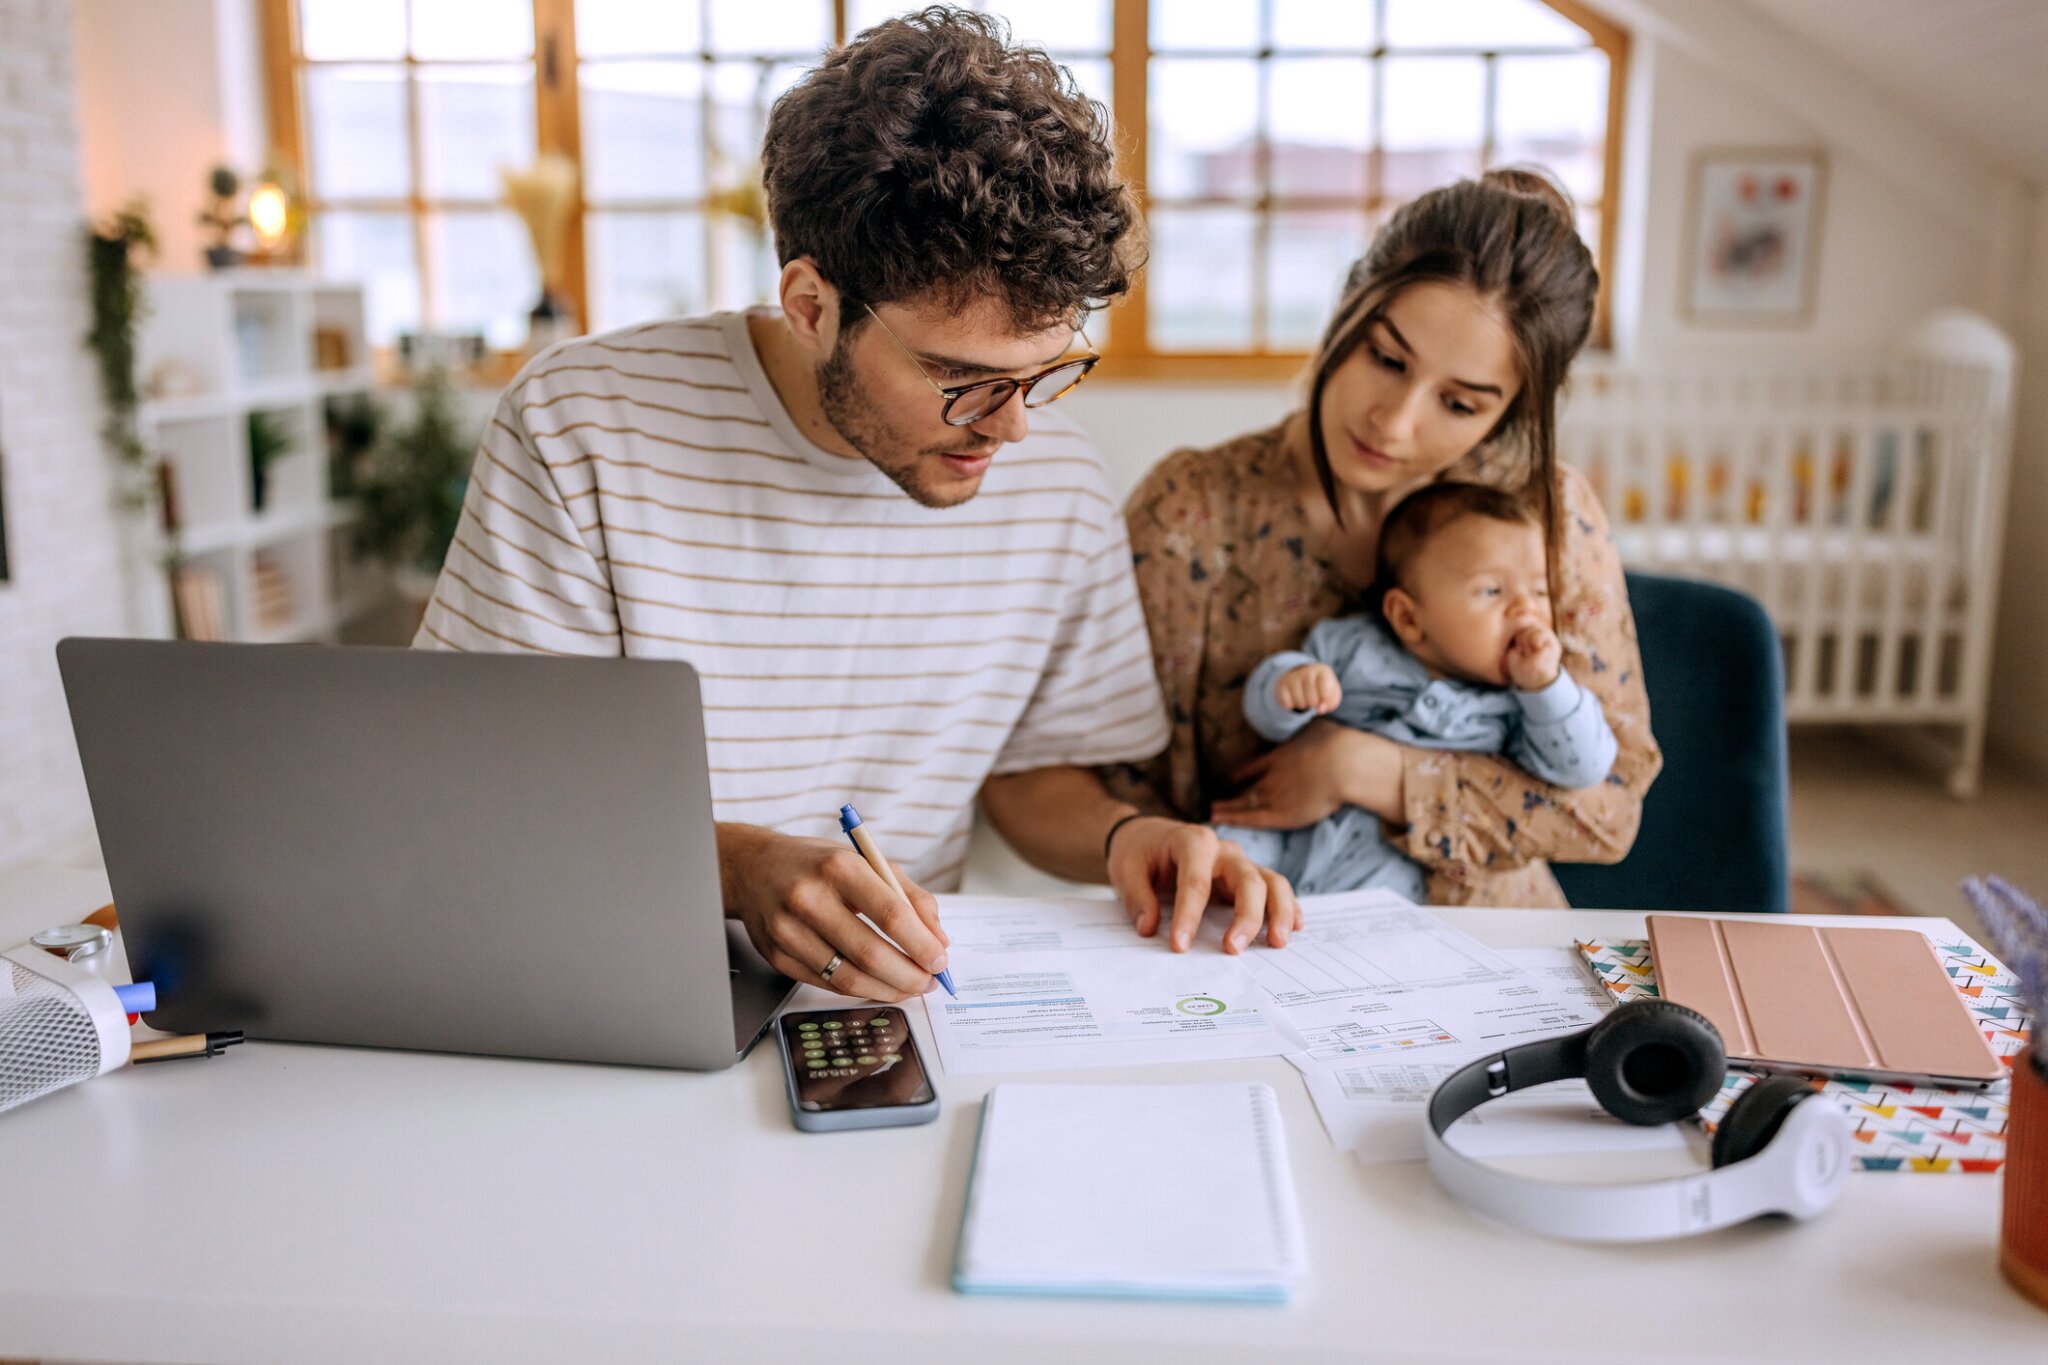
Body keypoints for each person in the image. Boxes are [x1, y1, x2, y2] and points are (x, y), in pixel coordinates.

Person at [414, 7, 1300, 1005]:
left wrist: (1126, 836)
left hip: (898, 1005)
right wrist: (739, 868)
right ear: (809, 305)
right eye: (960, 378)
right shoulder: (585, 424)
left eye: (1042, 373)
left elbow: (1028, 775)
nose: (1009, 429)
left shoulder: (1055, 478)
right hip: (611, 977)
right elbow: (484, 794)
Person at [1106, 167, 1663, 918]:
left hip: (1490, 952)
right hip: (1248, 935)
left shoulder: (1549, 515)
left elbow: (1608, 808)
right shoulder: (1191, 511)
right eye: (1387, 359)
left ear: (1509, 414)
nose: (1394, 422)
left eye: (1459, 402)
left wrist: (1367, 768)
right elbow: (1107, 792)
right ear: (1346, 305)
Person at [1215, 481, 1619, 898]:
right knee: (1224, 850)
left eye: (1539, 591)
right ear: (1408, 618)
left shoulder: (1520, 705)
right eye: (1492, 591)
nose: (1526, 609)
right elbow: (1266, 721)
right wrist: (1288, 687)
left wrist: (1545, 687)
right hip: (1290, 830)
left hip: (1388, 858)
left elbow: (1582, 768)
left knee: (1379, 910)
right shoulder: (1354, 646)